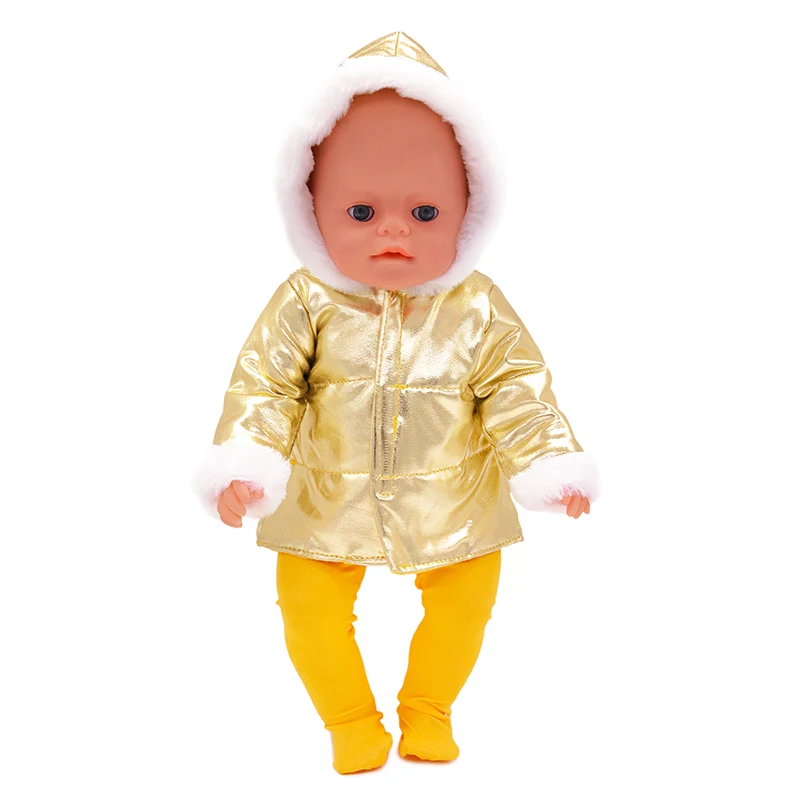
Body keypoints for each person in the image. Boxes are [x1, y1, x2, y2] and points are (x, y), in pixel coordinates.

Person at [192, 31, 600, 774]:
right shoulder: (305, 300)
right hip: (322, 497)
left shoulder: (477, 305)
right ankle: (351, 720)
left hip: (456, 498)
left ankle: (429, 709)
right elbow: (265, 384)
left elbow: (518, 389)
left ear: (469, 212)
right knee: (306, 608)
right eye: (359, 211)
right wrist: (246, 463)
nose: (391, 231)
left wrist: (550, 462)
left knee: (467, 601)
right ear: (309, 208)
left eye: (425, 213)